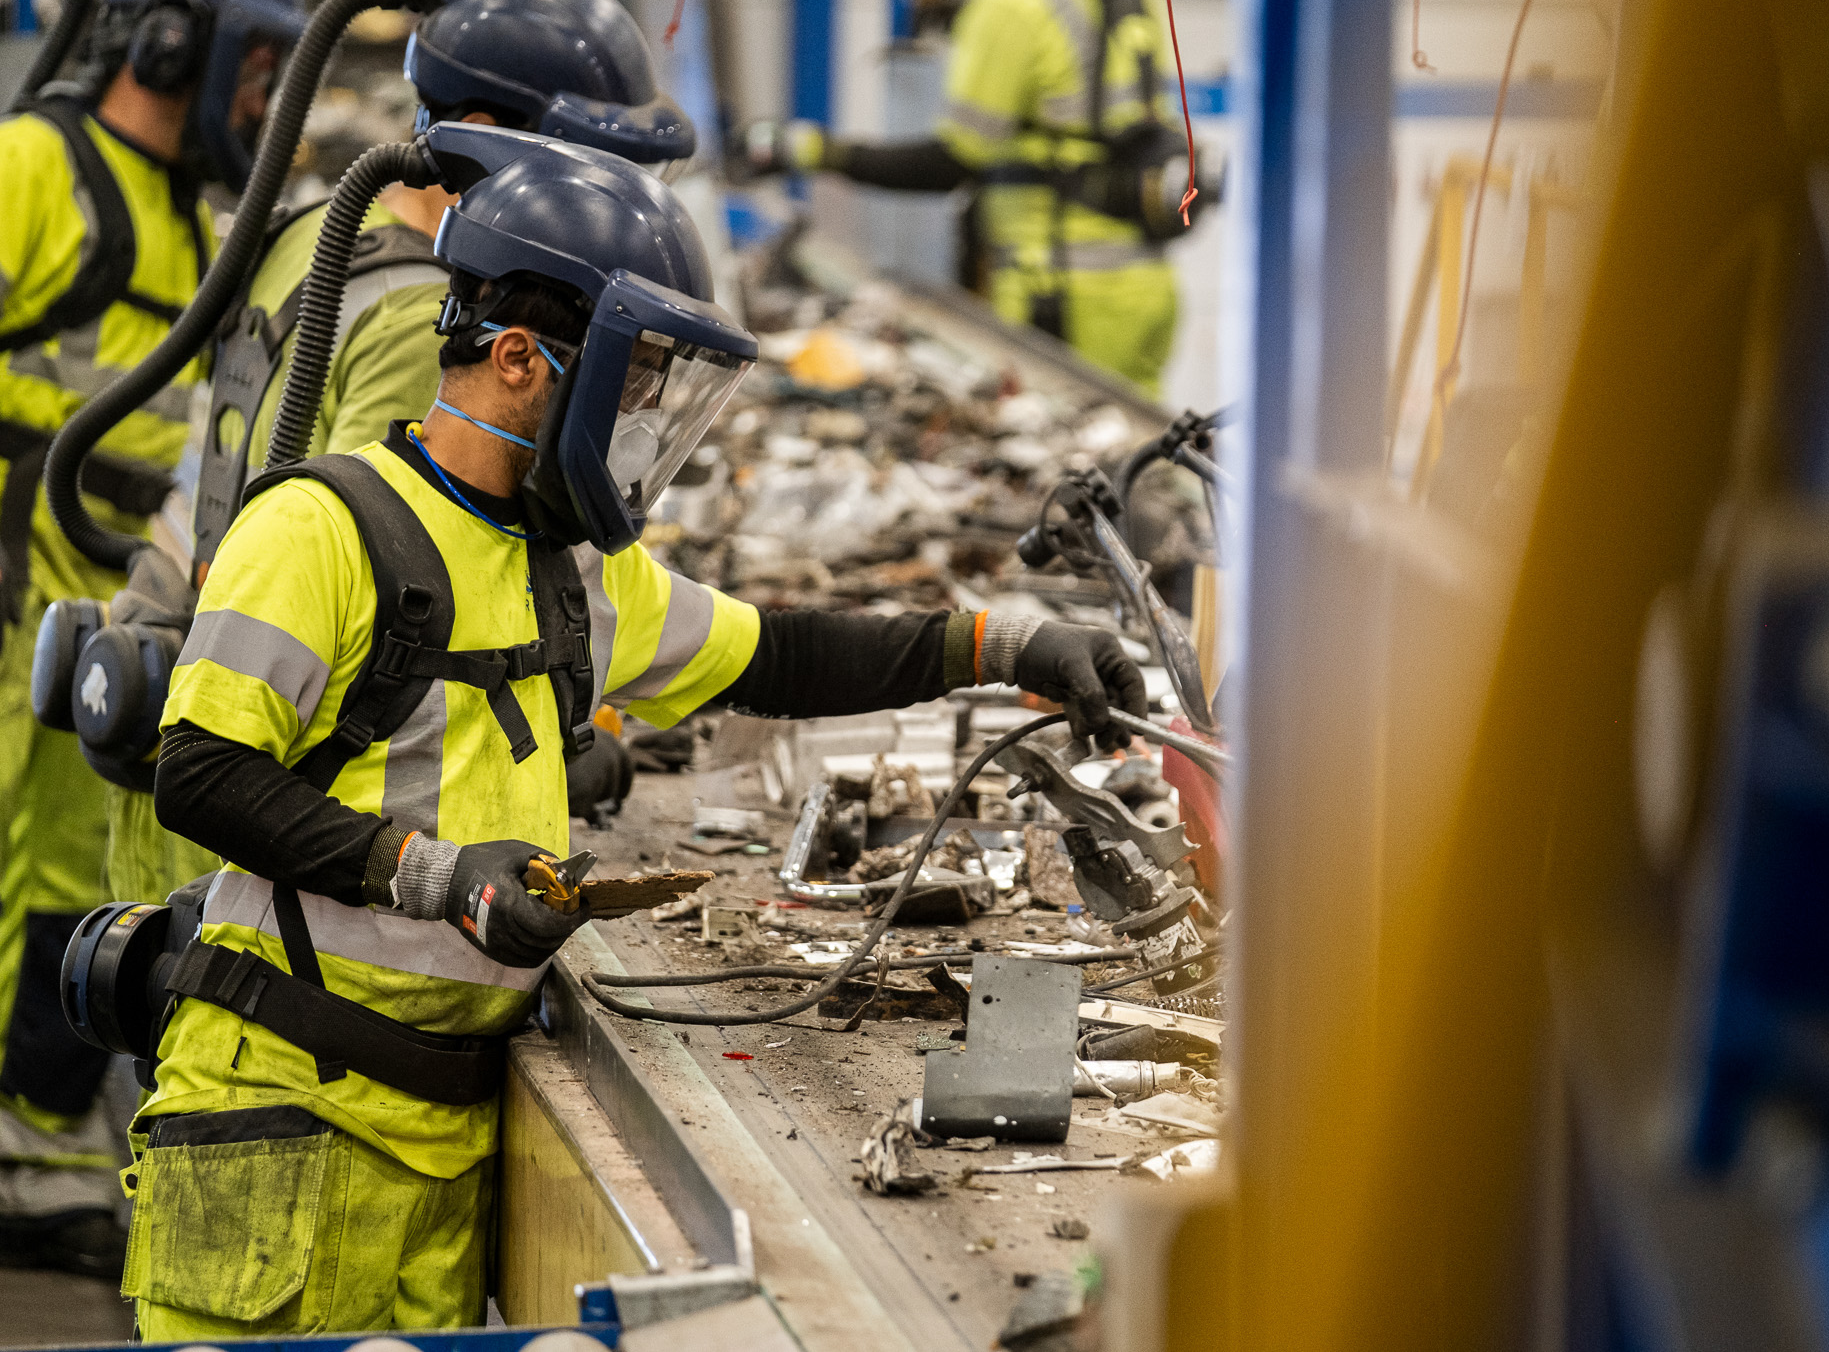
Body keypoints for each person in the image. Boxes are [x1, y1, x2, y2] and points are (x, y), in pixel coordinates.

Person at [124, 138, 1146, 1336]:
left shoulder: (575, 577)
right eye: (632, 383)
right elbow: (195, 776)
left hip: (444, 1141)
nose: (642, 420)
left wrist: (1002, 646)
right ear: (518, 359)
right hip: (281, 1116)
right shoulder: (319, 532)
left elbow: (776, 655)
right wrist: (433, 875)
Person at [105, 0, 693, 915]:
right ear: (494, 134)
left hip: (181, 725)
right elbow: (391, 603)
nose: (606, 202)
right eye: (596, 167)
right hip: (258, 845)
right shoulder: (417, 314)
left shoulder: (314, 237)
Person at [0, 0, 302, 1276]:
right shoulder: (33, 167)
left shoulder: (194, 215)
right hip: (19, 564)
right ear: (176, 42)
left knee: (65, 882)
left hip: (97, 592)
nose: (265, 99)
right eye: (261, 65)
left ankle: (35, 1143)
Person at [746, 0, 1209, 397]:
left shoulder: (1012, 5)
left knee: (1064, 468)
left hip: (1060, 293)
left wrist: (814, 152)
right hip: (1146, 287)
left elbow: (951, 162)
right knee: (1141, 471)